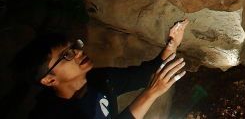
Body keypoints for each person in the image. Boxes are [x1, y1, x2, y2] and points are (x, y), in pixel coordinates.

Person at [16, 19, 189, 118]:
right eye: (67, 55)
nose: (78, 53)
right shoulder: (50, 115)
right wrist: (150, 93)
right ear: (49, 79)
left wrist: (172, 44)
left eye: (74, 47)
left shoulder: (99, 79)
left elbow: (144, 75)